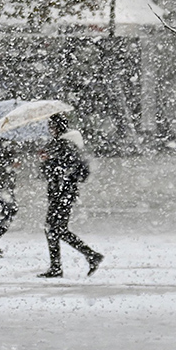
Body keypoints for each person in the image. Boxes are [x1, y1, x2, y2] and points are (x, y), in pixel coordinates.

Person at [37, 113, 103, 278]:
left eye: (52, 127)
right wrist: (47, 160)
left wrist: (48, 161)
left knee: (53, 229)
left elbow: (63, 168)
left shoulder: (65, 145)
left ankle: (61, 266)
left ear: (59, 128)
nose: (50, 130)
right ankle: (88, 256)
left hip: (62, 192)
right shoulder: (61, 144)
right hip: (62, 192)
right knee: (55, 229)